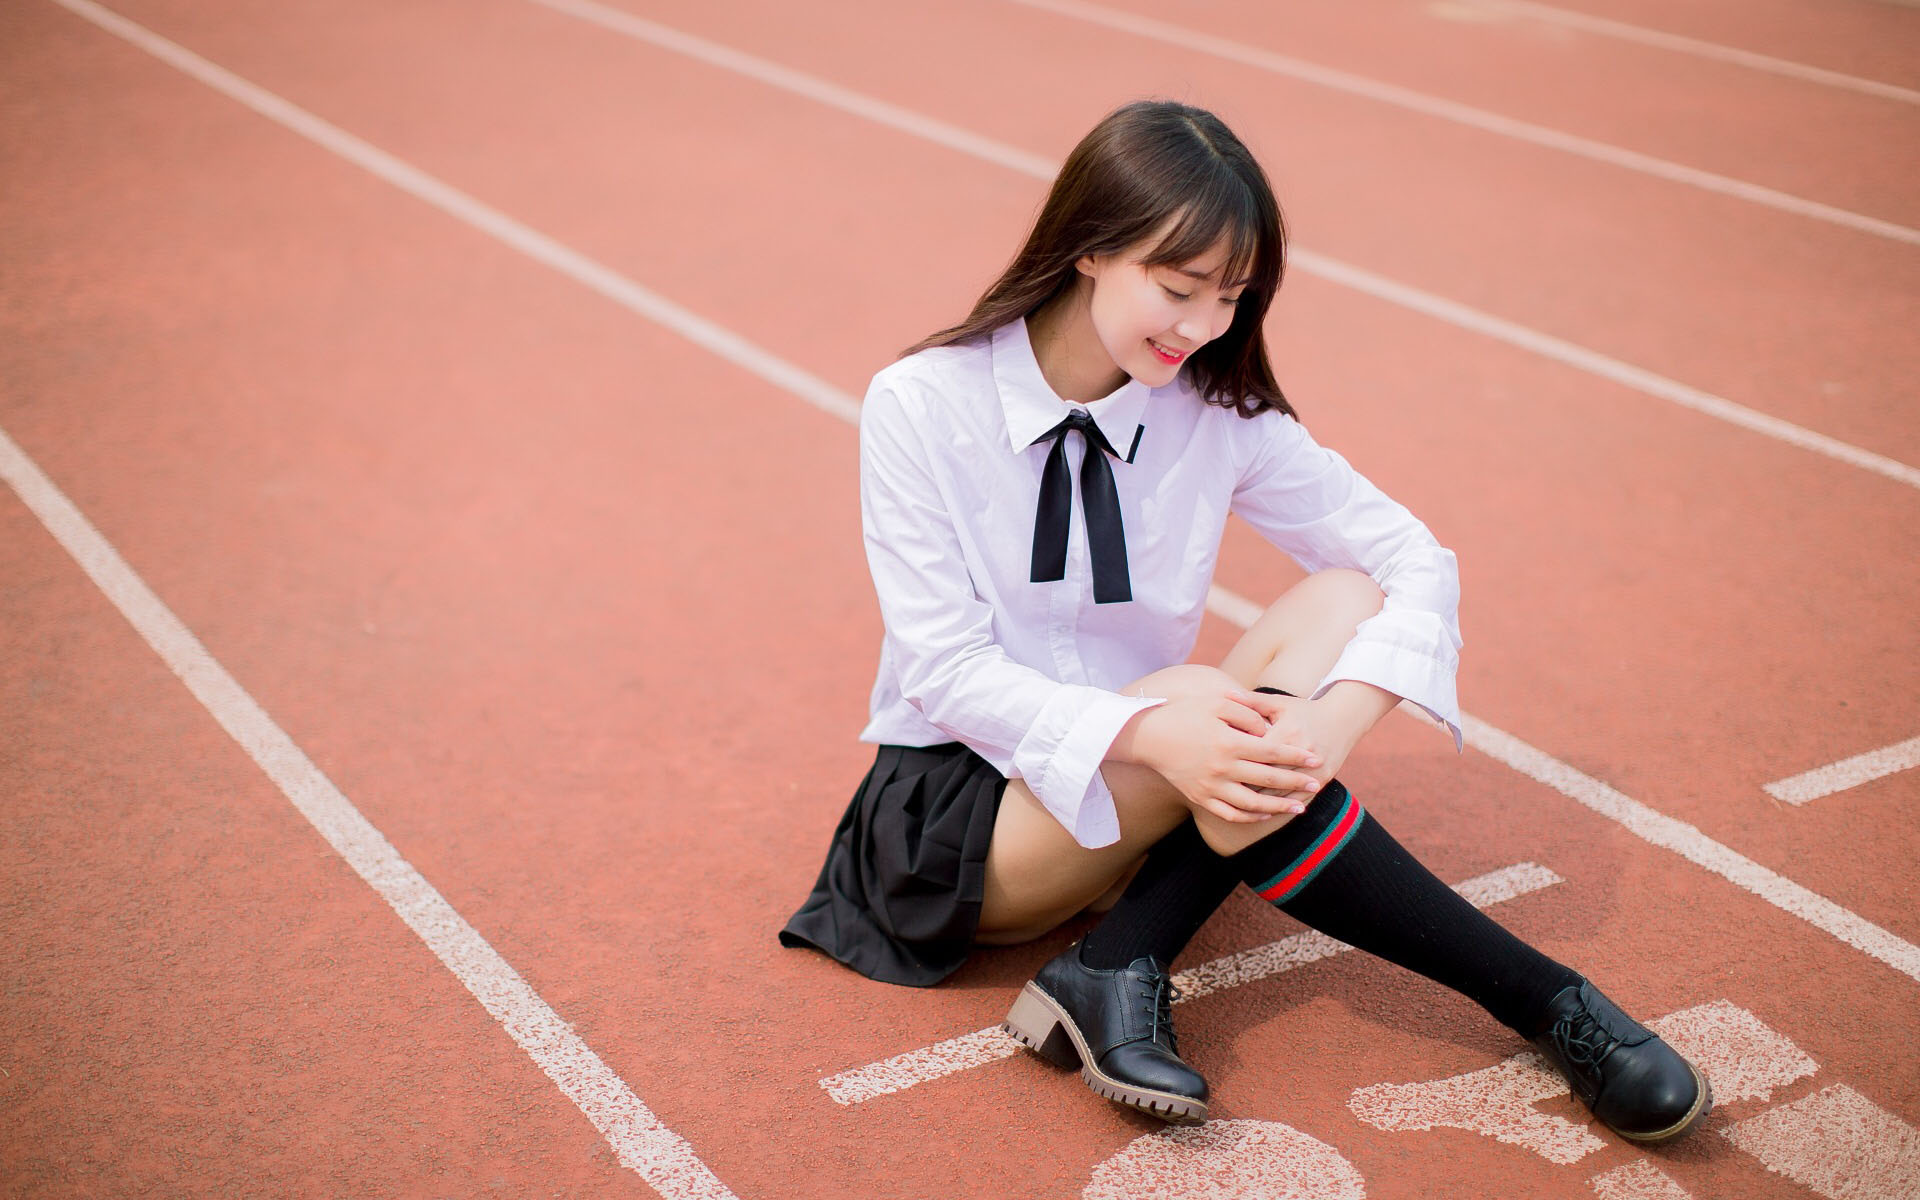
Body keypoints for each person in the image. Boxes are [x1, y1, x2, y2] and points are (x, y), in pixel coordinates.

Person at [779, 99, 1710, 1142]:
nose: (1203, 327)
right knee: (1206, 709)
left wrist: (1329, 729)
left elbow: (1413, 561)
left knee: (1346, 598)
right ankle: (1544, 1001)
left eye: (1231, 296)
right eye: (1177, 290)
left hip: (1145, 781)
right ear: (1089, 247)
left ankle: (1119, 958)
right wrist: (1157, 732)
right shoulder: (921, 404)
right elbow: (945, 670)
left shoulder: (1215, 413)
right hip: (963, 822)